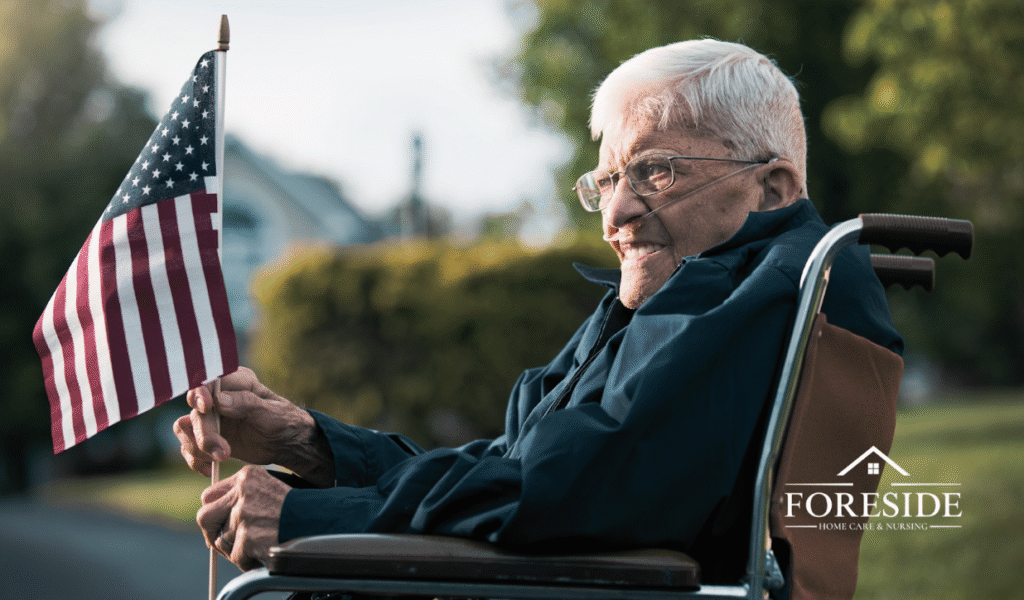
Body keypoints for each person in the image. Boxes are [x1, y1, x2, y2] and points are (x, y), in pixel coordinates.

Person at [175, 38, 903, 580]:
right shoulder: (698, 290)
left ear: (771, 188)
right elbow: (509, 469)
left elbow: (561, 494)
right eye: (610, 177)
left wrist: (307, 516)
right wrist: (311, 442)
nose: (616, 210)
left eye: (655, 171)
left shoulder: (757, 296)